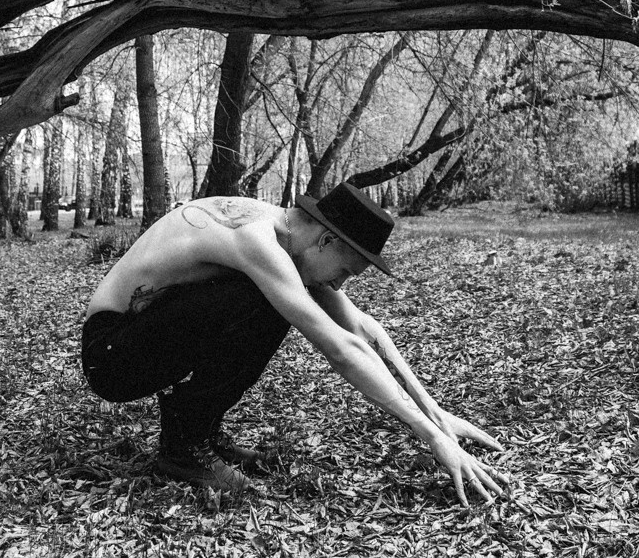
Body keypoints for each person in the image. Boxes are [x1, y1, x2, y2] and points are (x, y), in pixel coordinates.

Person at [80, 184, 508, 502]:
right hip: (112, 357)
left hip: (141, 340)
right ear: (326, 240)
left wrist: (439, 418)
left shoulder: (288, 237)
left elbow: (363, 331)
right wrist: (430, 439)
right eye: (345, 271)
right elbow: (338, 349)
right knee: (265, 301)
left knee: (274, 299)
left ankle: (200, 430)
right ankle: (183, 446)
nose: (340, 284)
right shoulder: (257, 241)